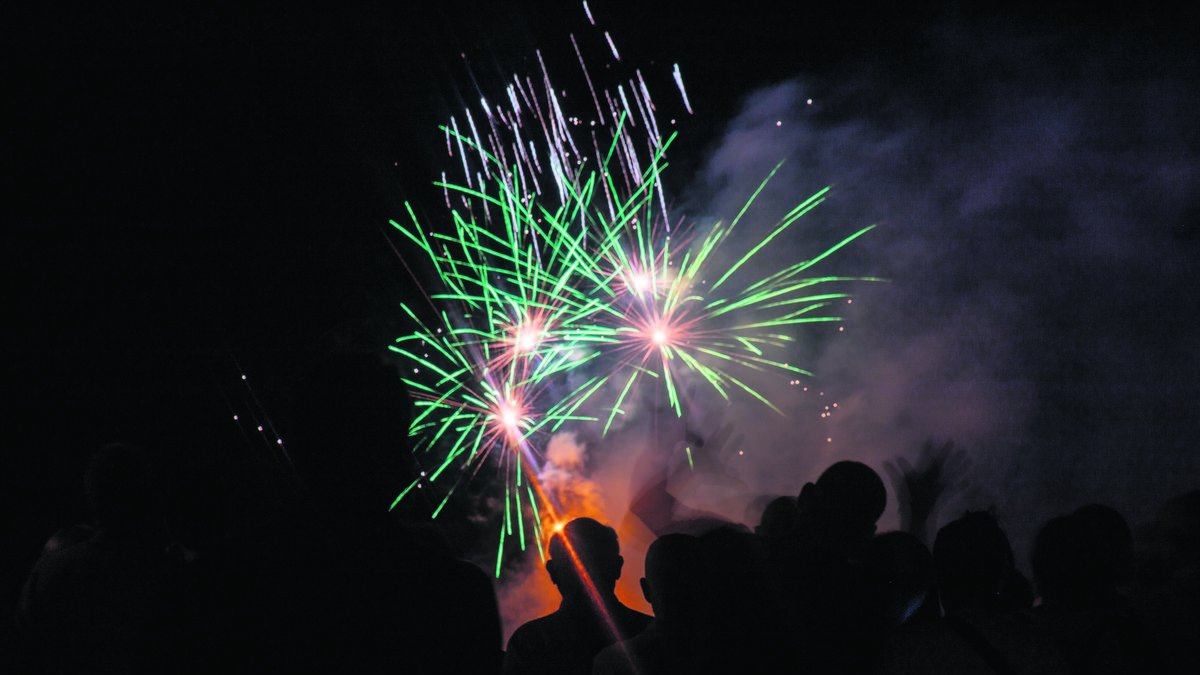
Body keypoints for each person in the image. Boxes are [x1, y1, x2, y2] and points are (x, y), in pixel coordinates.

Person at [504, 517, 652, 675]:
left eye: (593, 561)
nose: (585, 573)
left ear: (552, 571)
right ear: (617, 567)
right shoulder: (649, 635)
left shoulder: (530, 641)